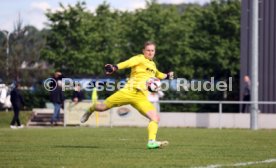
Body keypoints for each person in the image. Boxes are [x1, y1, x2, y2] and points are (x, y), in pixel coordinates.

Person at [80, 41, 174, 149]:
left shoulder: (152, 65)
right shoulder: (139, 58)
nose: (150, 52)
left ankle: (151, 142)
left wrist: (167, 76)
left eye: (152, 50)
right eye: (148, 50)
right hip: (128, 91)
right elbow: (128, 62)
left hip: (141, 97)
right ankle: (90, 110)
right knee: (101, 108)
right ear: (143, 51)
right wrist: (115, 67)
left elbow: (158, 74)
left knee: (155, 117)